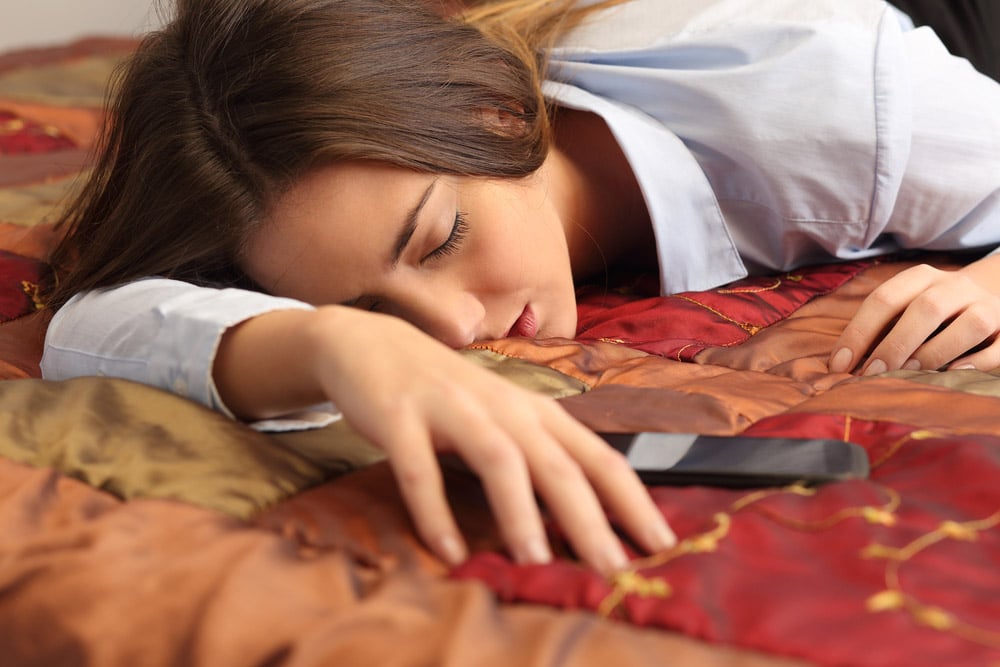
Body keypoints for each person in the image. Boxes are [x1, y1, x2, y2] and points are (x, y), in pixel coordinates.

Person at [40, 0, 1000, 575]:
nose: (456, 328)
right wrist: (334, 345)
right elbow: (92, 321)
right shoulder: (313, 200)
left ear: (497, 115)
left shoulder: (847, 111)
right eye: (374, 306)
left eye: (440, 240)